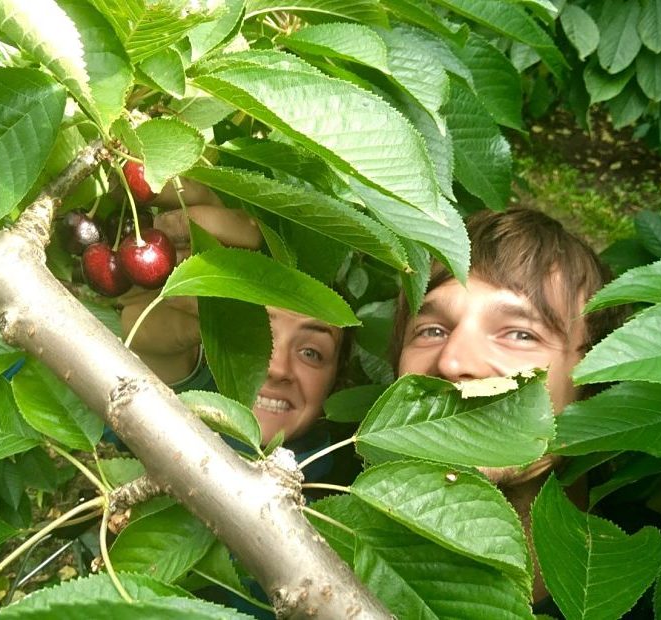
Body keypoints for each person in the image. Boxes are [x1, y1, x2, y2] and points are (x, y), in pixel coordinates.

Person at [391, 206, 624, 606]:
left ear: (593, 383)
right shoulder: (322, 548)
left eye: (519, 334)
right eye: (432, 330)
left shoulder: (650, 584)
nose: (452, 362)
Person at [120, 180, 348, 451]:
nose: (276, 369)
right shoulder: (153, 437)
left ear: (337, 381)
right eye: (256, 331)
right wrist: (154, 364)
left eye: (311, 352)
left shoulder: (351, 485)